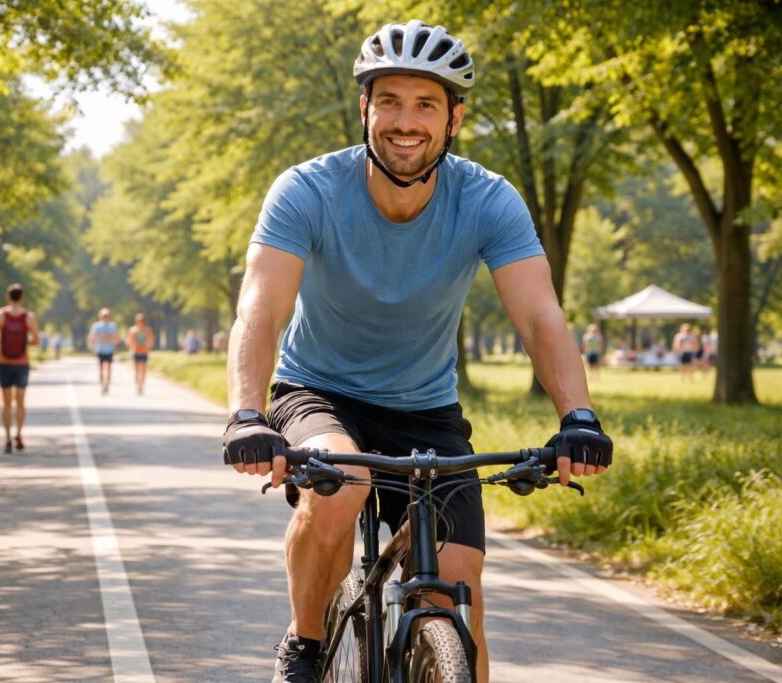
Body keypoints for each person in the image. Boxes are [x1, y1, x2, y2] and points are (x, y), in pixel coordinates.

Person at [221, 21, 613, 683]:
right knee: (344, 486)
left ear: (454, 118)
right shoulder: (307, 190)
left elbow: (541, 316)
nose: (407, 122)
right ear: (365, 109)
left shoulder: (489, 199)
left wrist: (578, 416)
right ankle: (307, 639)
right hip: (318, 390)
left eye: (426, 104)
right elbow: (260, 308)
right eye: (391, 102)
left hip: (427, 410)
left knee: (458, 592)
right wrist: (245, 412)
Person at [0, 283, 39, 454]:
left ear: (8, 297)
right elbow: (36, 340)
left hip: (4, 362)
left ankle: (7, 438)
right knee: (21, 402)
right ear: (22, 297)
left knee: (6, 403)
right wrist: (24, 342)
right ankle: (19, 434)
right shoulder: (29, 317)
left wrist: (0, 341)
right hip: (22, 363)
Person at [88, 308, 120, 394]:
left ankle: (107, 385)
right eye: (103, 316)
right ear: (100, 316)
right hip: (100, 350)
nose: (105, 317)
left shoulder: (113, 326)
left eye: (107, 316)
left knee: (109, 369)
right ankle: (102, 384)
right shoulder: (96, 326)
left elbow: (117, 339)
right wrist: (99, 338)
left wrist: (110, 338)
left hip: (109, 350)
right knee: (101, 369)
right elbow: (92, 337)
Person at [126, 314, 154, 395]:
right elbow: (129, 341)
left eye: (142, 320)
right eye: (139, 320)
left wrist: (147, 348)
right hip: (136, 352)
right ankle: (138, 385)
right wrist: (133, 347)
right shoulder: (132, 330)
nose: (140, 322)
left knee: (143, 370)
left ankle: (142, 385)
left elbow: (151, 341)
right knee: (136, 370)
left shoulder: (148, 330)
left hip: (144, 352)